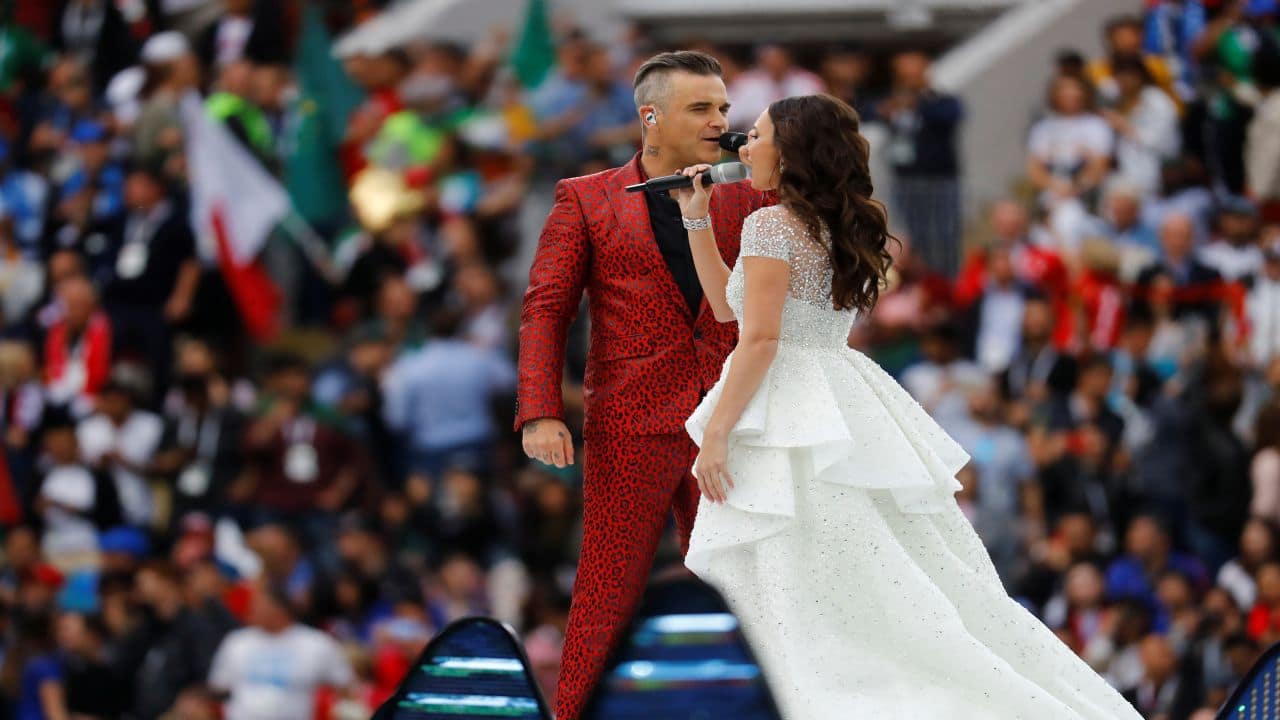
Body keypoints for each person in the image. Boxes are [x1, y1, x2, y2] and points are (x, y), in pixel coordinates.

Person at [671, 93, 1141, 718]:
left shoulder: (769, 225)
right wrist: (695, 219)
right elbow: (731, 310)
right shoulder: (832, 222)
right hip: (839, 392)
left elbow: (757, 339)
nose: (743, 146)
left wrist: (720, 432)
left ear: (790, 152)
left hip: (787, 401)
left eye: (755, 136)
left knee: (799, 571)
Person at [515, 50, 771, 720]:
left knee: (742, 583)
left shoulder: (751, 194)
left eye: (722, 107)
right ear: (650, 118)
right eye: (702, 108)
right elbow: (546, 306)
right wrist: (541, 410)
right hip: (631, 419)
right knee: (608, 588)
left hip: (729, 418)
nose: (720, 120)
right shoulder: (585, 197)